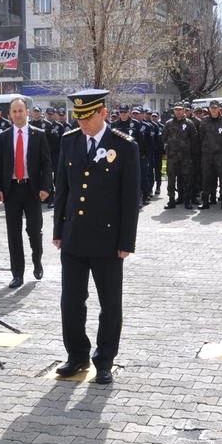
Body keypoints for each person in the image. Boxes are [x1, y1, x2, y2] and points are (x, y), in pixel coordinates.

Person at [52, 89, 140, 386]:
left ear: (103, 113)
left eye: (88, 117)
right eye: (79, 117)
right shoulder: (69, 141)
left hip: (107, 240)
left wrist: (126, 242)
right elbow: (62, 189)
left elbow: (130, 198)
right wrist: (57, 231)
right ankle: (77, 355)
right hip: (74, 238)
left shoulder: (124, 146)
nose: (83, 123)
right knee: (71, 302)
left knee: (110, 304)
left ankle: (104, 360)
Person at [0, 97, 52, 288]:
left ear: (27, 112)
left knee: (34, 231)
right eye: (14, 111)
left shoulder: (38, 134)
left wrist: (45, 188)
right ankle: (17, 273)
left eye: (21, 110)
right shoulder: (4, 136)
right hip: (12, 190)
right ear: (10, 114)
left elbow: (46, 163)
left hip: (32, 189)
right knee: (13, 234)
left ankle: (37, 260)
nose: (17, 114)